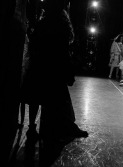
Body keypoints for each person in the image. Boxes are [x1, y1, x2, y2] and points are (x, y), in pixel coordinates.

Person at [24, 0, 88, 142]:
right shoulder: (62, 24)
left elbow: (35, 45)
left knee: (37, 96)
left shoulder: (43, 23)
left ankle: (32, 127)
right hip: (53, 66)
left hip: (40, 64)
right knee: (56, 96)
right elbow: (63, 50)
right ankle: (56, 127)